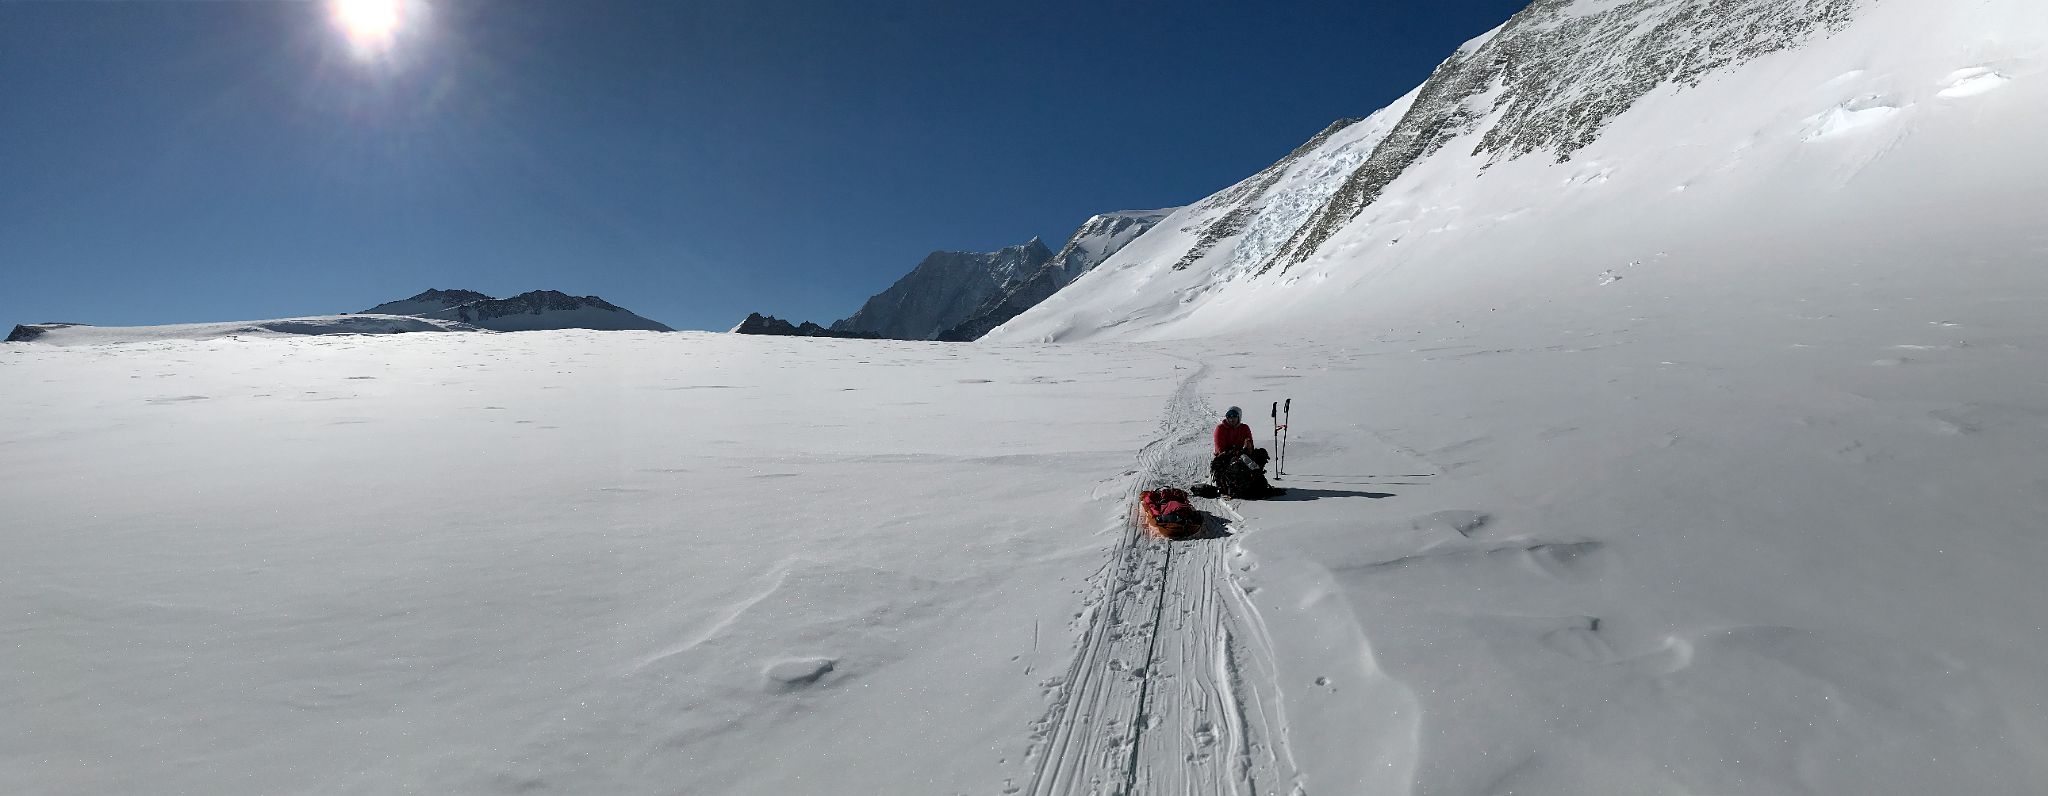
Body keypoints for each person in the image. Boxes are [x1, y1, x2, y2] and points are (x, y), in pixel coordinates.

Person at [1210, 406, 1279, 498]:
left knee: (1260, 454)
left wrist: (1247, 447)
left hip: (1242, 455)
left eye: (1234, 416)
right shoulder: (1220, 429)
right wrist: (1234, 452)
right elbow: (1220, 450)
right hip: (1225, 458)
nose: (1231, 418)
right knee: (1238, 464)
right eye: (1229, 416)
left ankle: (1255, 480)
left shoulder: (1244, 428)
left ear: (1239, 417)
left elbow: (1250, 445)